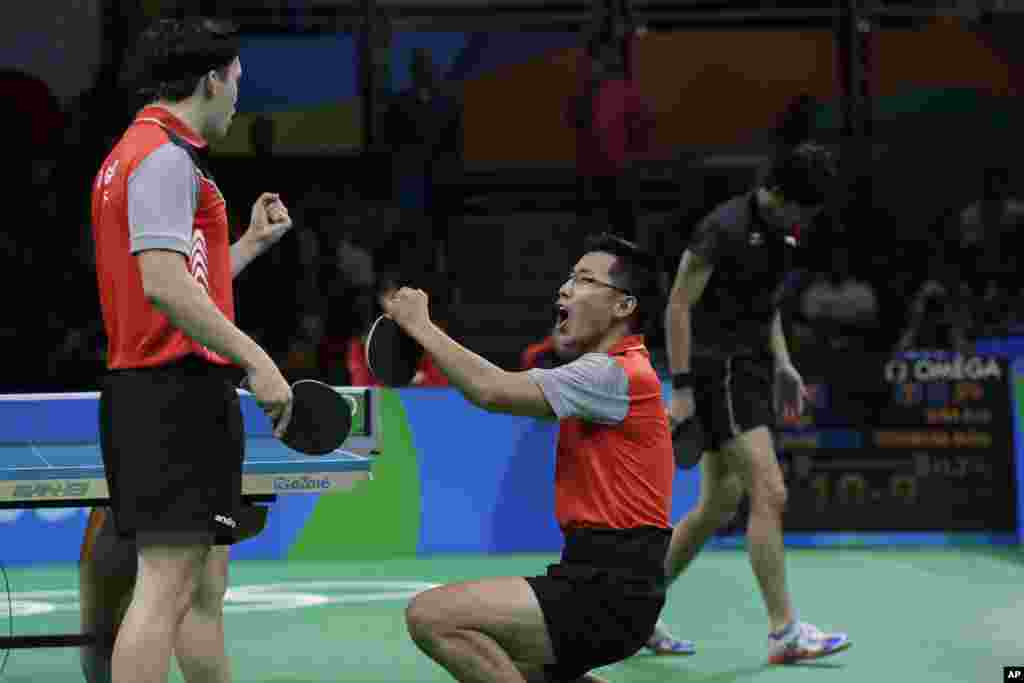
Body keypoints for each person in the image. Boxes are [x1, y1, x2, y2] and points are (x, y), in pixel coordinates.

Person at [83, 17, 295, 683]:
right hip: (170, 393)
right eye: (236, 81)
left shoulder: (135, 154)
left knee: (202, 593)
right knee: (166, 589)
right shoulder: (163, 159)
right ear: (210, 79)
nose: (239, 95)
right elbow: (168, 288)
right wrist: (258, 360)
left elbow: (183, 284)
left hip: (168, 388)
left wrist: (253, 244)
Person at [383, 233, 672, 682]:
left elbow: (492, 390)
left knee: (433, 616)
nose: (565, 288)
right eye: (568, 277)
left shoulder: (612, 372)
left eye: (584, 279)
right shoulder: (614, 370)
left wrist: (421, 326)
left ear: (623, 306)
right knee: (517, 667)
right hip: (598, 574)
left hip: (611, 589)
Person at [652, 142, 851, 663]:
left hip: (753, 370)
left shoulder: (786, 231)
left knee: (717, 505)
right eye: (806, 207)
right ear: (782, 195)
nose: (809, 218)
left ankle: (631, 609)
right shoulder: (723, 228)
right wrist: (682, 387)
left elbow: (766, 307)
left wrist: (783, 363)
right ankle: (784, 632)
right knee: (770, 490)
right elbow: (677, 304)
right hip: (719, 372)